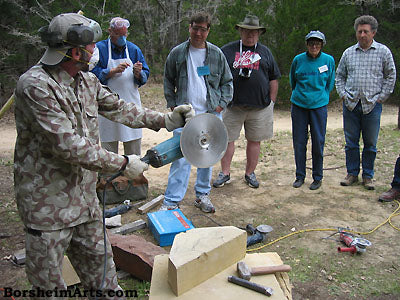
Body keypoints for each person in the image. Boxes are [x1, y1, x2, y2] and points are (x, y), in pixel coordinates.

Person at [14, 13, 194, 298]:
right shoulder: (35, 86)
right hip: (47, 210)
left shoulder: (85, 81)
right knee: (48, 290)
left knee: (105, 282)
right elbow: (68, 145)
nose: (95, 51)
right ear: (75, 52)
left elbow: (122, 109)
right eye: (91, 46)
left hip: (85, 205)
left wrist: (167, 120)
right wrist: (123, 164)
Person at [159, 11, 233, 213]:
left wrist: (221, 104)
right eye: (195, 28)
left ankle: (202, 195)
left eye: (203, 29)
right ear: (189, 28)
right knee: (180, 158)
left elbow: (227, 82)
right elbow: (168, 80)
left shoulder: (216, 54)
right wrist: (173, 104)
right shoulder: (177, 53)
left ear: (208, 31)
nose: (198, 33)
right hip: (185, 115)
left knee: (207, 157)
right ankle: (172, 200)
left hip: (210, 114)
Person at [213, 14, 280, 189]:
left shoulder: (265, 52)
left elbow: (274, 78)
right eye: (247, 31)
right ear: (241, 31)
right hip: (232, 106)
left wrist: (272, 102)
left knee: (255, 140)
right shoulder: (227, 51)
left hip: (260, 107)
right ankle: (225, 173)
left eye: (254, 32)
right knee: (227, 139)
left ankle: (250, 173)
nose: (250, 35)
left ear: (259, 33)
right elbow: (215, 74)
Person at [335, 15, 396, 190]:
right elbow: (339, 75)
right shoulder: (348, 53)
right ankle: (352, 173)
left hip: (372, 105)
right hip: (351, 104)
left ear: (373, 33)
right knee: (351, 142)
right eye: (359, 31)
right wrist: (343, 94)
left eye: (365, 31)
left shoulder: (383, 52)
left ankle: (368, 176)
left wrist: (381, 97)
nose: (362, 35)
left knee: (370, 143)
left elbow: (391, 75)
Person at [91, 17, 149, 156]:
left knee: (134, 148)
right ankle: (109, 177)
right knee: (108, 149)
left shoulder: (134, 50)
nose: (122, 38)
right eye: (118, 34)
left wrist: (139, 74)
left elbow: (146, 73)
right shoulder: (100, 49)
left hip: (131, 103)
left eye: (124, 35)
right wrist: (110, 72)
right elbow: (91, 74)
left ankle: (133, 176)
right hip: (107, 106)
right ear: (110, 31)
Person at [289, 31, 335, 190]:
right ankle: (300, 175)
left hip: (319, 106)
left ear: (322, 44)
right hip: (299, 105)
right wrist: (302, 96)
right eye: (311, 43)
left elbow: (330, 83)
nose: (314, 46)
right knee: (299, 142)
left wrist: (321, 96)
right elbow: (292, 81)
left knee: (318, 142)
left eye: (317, 43)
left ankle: (317, 177)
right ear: (307, 44)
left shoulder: (328, 60)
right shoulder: (298, 60)